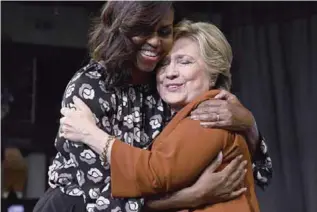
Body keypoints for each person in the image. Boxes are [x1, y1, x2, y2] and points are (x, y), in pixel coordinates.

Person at [34, 2, 272, 212]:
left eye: (164, 31)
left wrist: (249, 125)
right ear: (120, 29)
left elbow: (256, 172)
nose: (155, 41)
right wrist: (192, 196)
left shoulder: (166, 88)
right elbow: (103, 198)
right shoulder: (91, 87)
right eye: (143, 29)